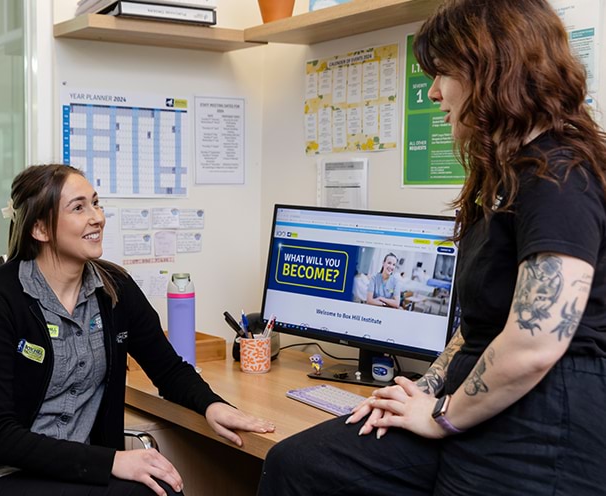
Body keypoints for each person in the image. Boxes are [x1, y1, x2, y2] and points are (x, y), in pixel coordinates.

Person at [257, 0, 606, 494]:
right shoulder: (511, 174)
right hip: (480, 409)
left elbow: (535, 343)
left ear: (491, 71)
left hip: (543, 429)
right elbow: (480, 324)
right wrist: (423, 387)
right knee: (298, 463)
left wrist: (441, 415)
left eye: (443, 73)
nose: (434, 91)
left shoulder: (559, 176)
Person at [0, 164, 275, 496]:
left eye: (95, 203)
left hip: (75, 471)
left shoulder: (114, 288)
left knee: (163, 486)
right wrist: (112, 461)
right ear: (41, 229)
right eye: (78, 207)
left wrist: (212, 406)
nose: (97, 217)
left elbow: (167, 369)